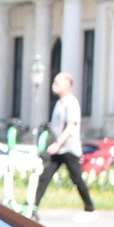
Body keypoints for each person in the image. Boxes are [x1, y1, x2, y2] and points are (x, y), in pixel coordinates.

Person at [29, 72, 94, 216]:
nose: (53, 85)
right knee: (45, 176)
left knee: (76, 178)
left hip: (68, 148)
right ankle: (33, 207)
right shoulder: (59, 103)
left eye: (57, 83)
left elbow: (71, 125)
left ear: (67, 85)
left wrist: (58, 143)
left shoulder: (71, 102)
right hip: (58, 150)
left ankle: (90, 208)